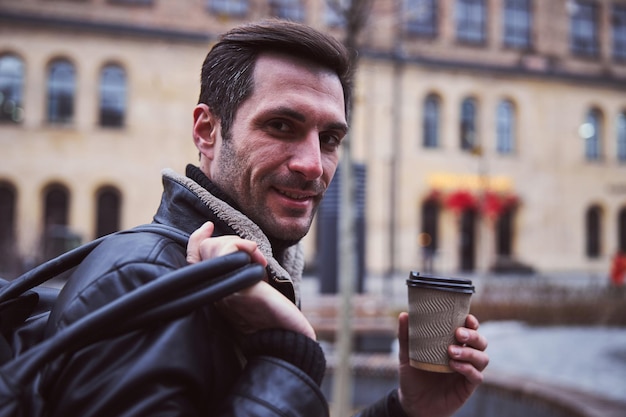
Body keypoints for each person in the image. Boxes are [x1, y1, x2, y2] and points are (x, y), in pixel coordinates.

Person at [40, 19, 488, 417]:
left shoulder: (240, 279)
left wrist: (407, 411)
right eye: (281, 126)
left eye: (330, 138)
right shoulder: (144, 284)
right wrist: (286, 353)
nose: (313, 164)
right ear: (207, 130)